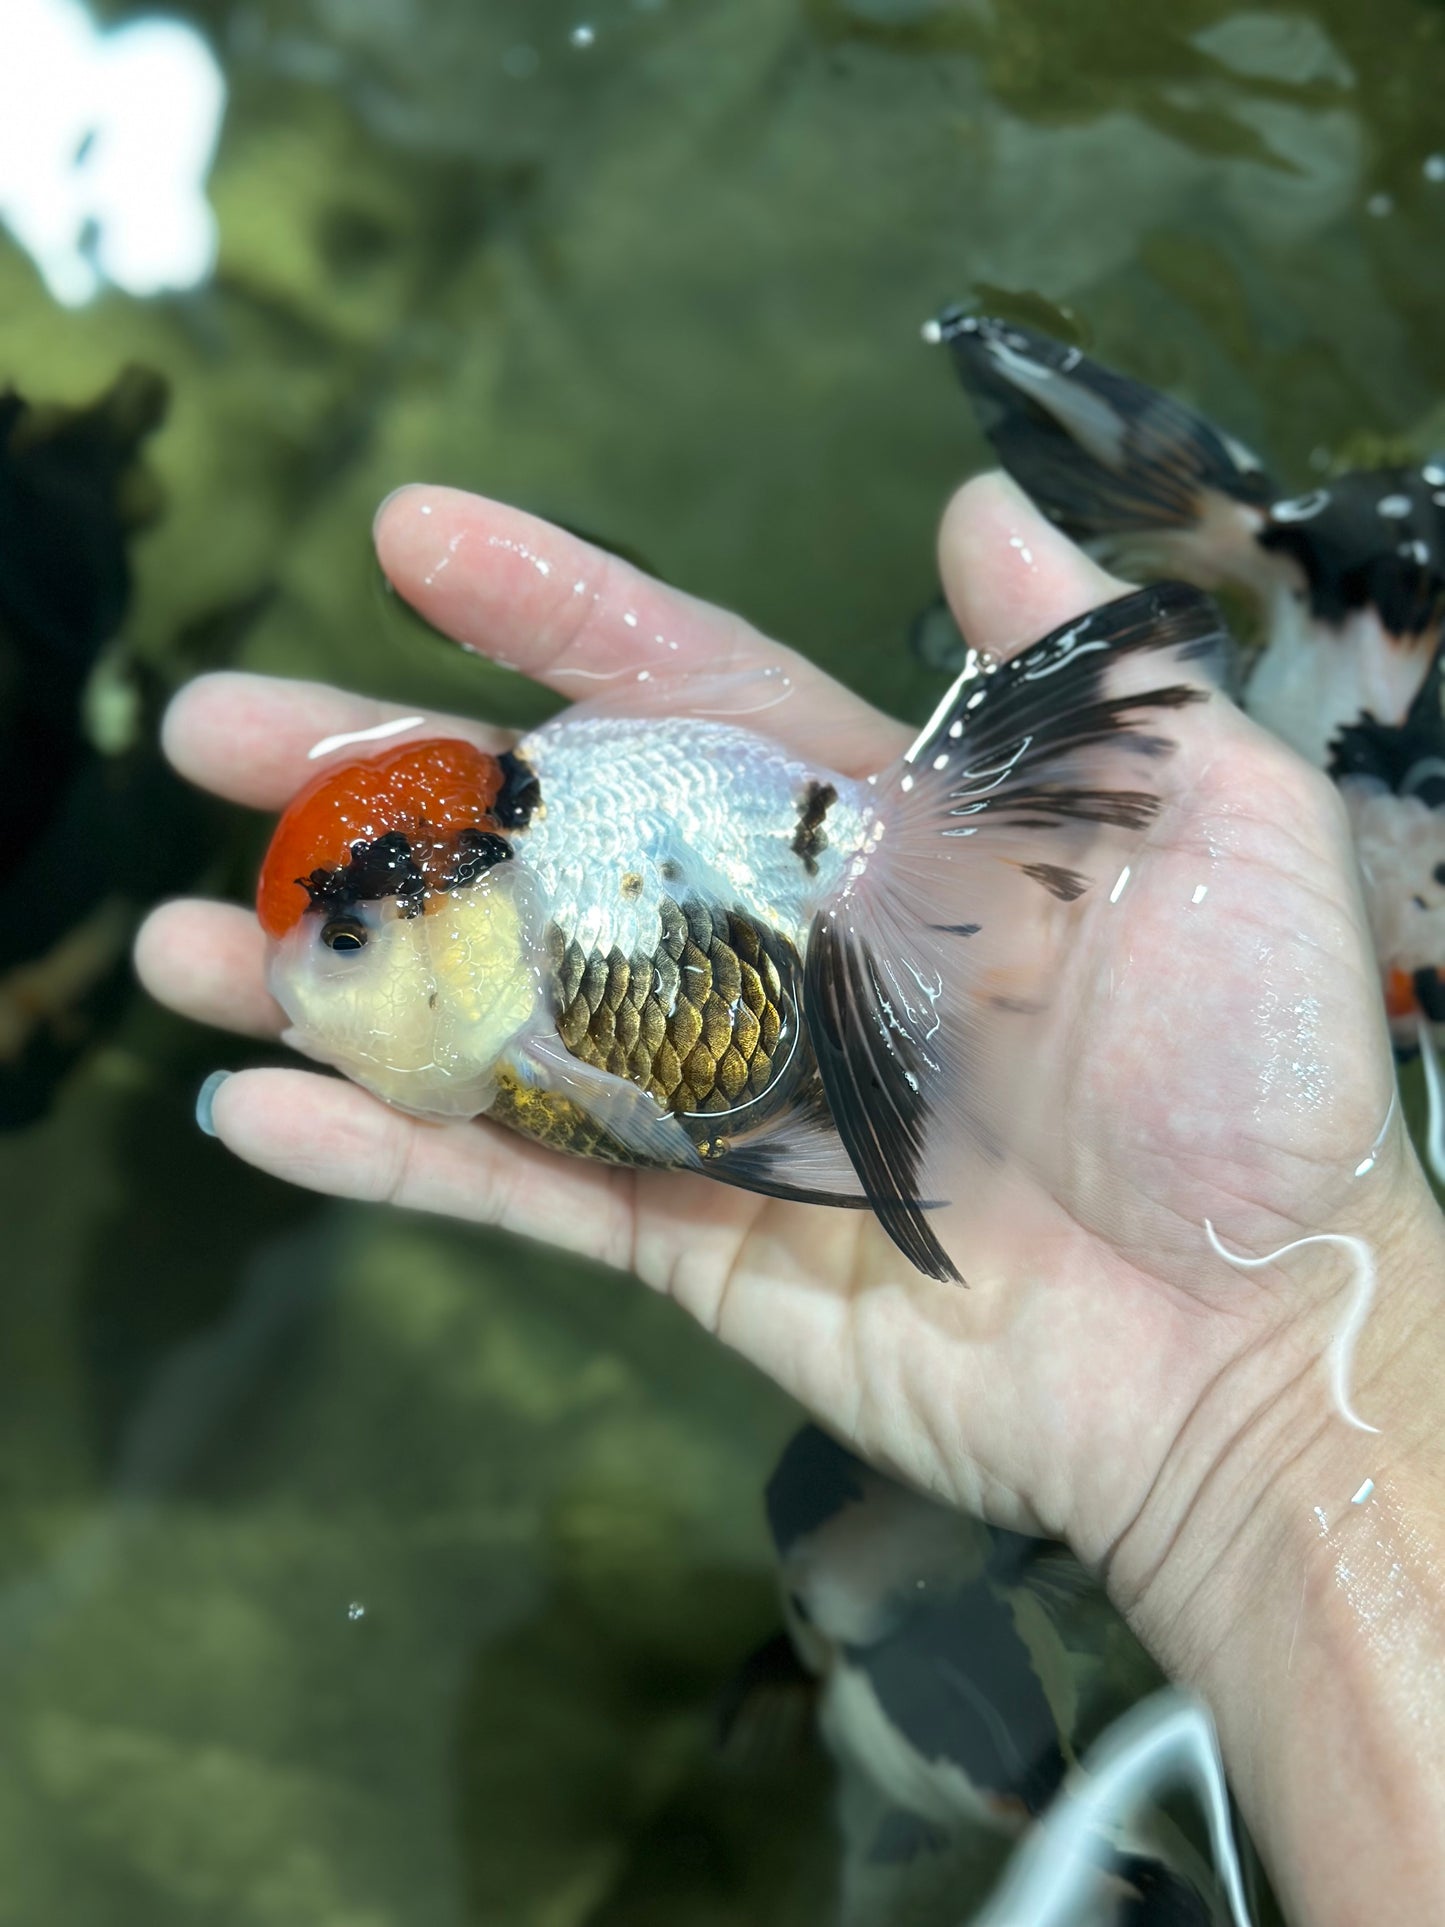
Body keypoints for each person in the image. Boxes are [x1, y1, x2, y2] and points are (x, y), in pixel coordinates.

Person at [136, 473, 1445, 1925]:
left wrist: (1266, 1397)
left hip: (784, 888)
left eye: (355, 941)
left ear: (457, 917)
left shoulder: (555, 948)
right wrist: (1271, 1419)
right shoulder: (521, 1008)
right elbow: (673, 1125)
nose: (319, 983)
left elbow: (663, 1112)